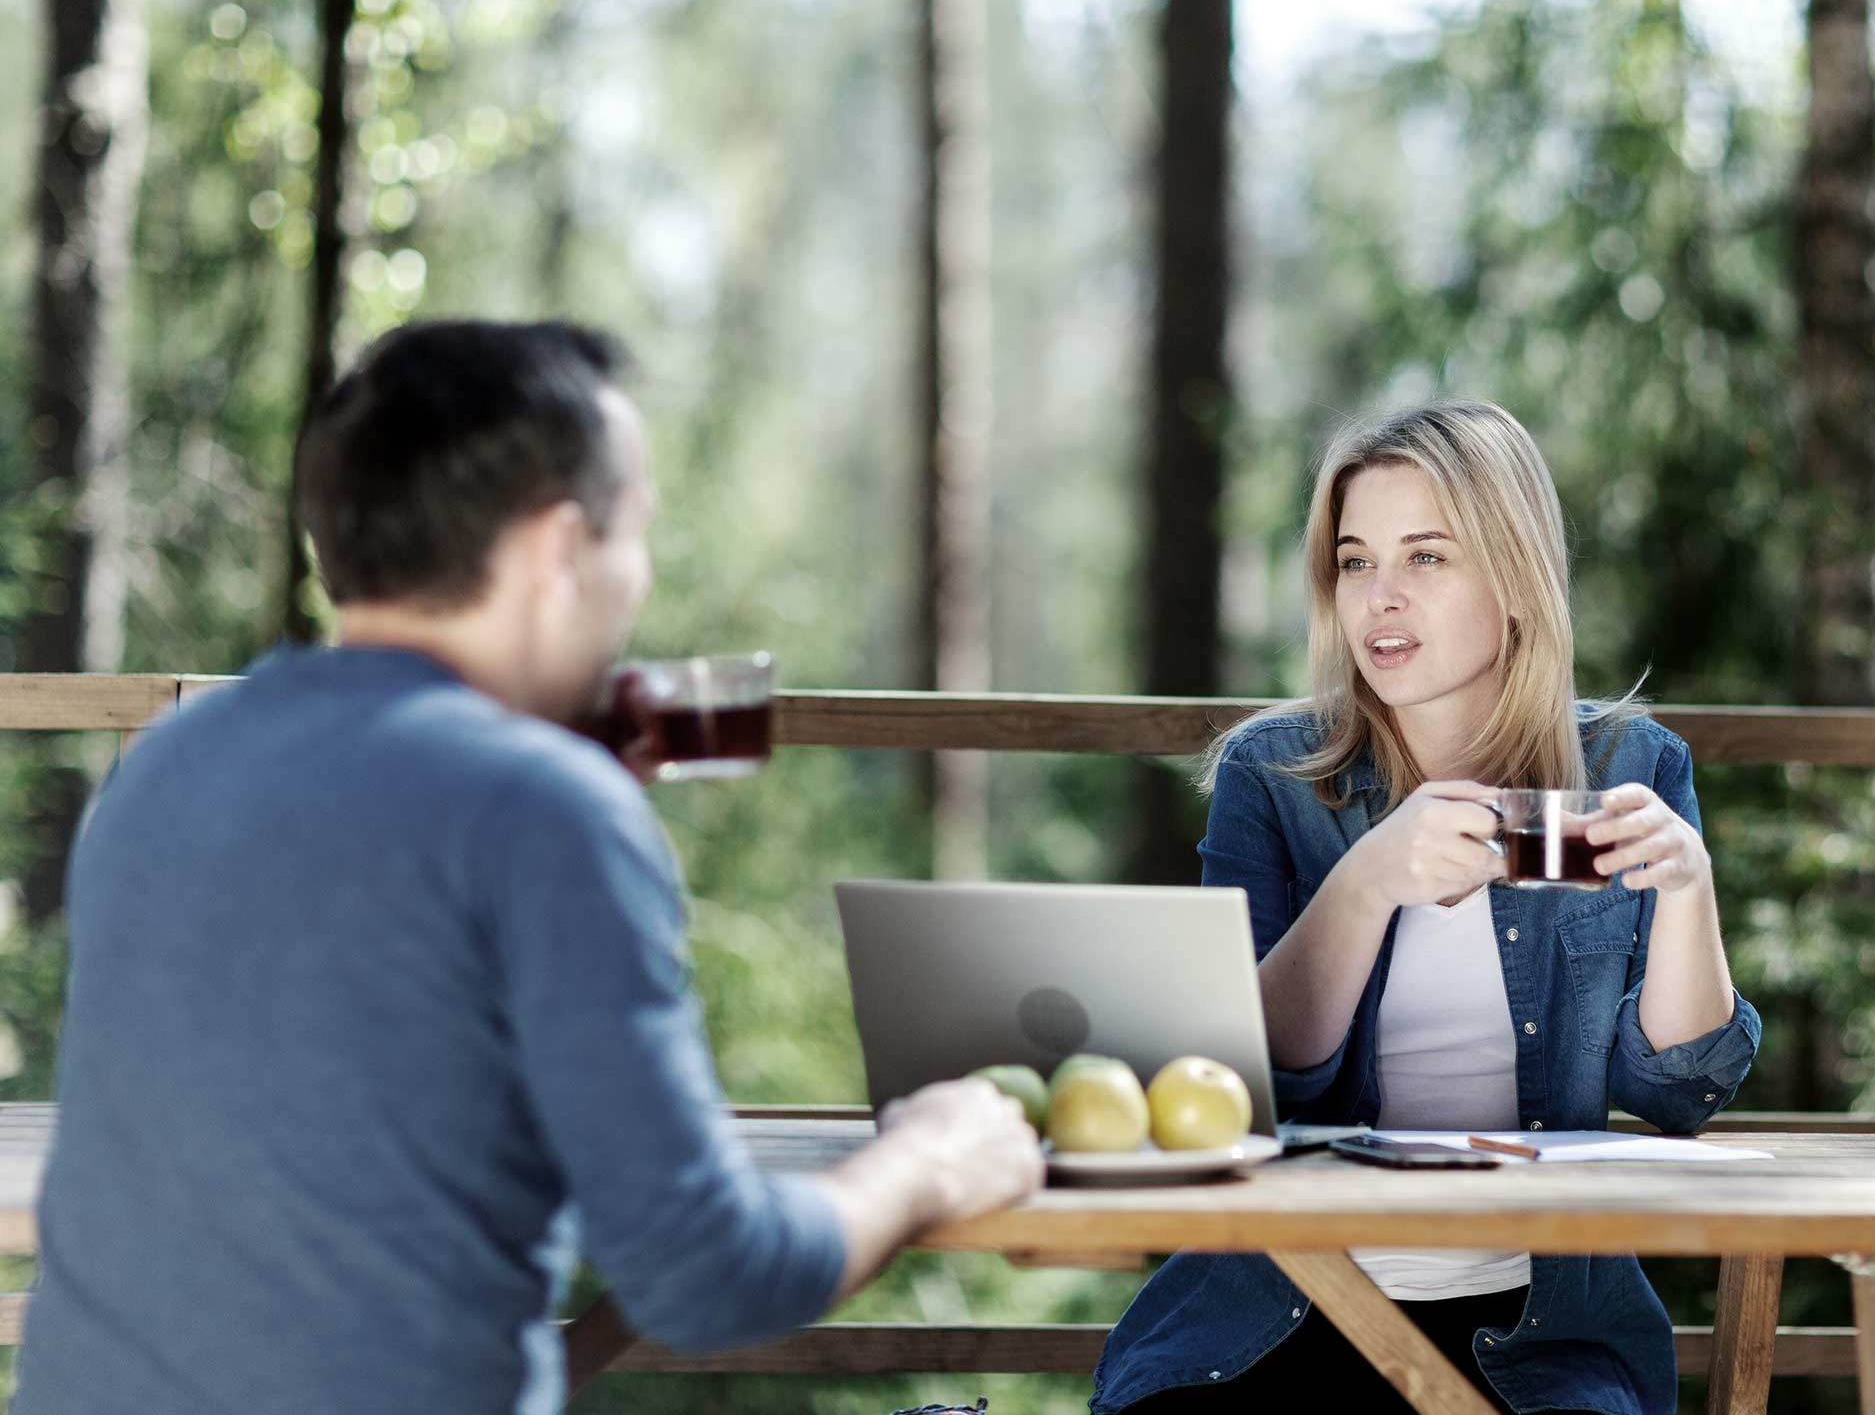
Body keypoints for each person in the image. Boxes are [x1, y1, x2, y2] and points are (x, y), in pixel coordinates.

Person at [16, 320, 1044, 1415]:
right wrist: (928, 1162)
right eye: (636, 533)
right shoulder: (540, 812)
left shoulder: (170, 763)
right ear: (560, 549)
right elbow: (710, 1275)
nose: (638, 578)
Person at [1093, 401, 1761, 1415]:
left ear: (1516, 579)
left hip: (1539, 1331)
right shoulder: (1271, 774)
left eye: (1427, 558)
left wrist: (1688, 888)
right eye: (1356, 562)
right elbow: (1242, 1081)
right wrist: (1367, 880)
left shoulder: (1632, 764)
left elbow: (1673, 1093)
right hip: (1275, 1309)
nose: (1381, 598)